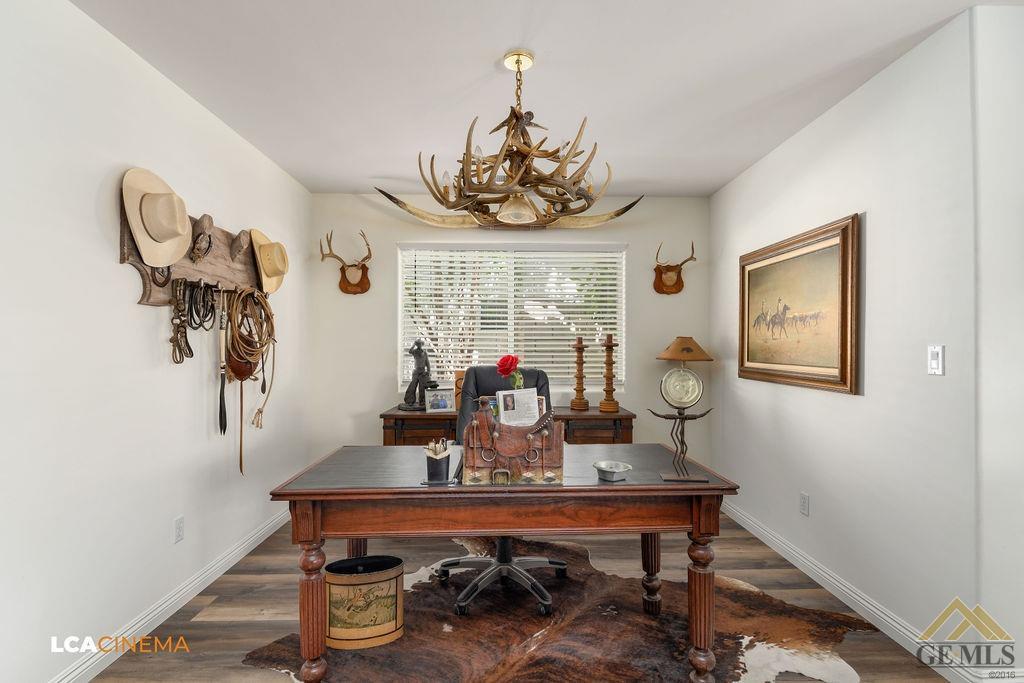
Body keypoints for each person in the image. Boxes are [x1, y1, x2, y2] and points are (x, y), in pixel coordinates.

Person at [400, 339, 437, 410]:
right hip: (416, 372)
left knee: (422, 387)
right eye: (418, 344)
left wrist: (428, 371)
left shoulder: (425, 353)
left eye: (420, 344)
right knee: (412, 386)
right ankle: (409, 401)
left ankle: (422, 402)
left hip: (423, 372)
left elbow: (427, 363)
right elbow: (410, 351)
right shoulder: (415, 352)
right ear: (416, 345)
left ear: (422, 344)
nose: (419, 345)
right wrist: (413, 344)